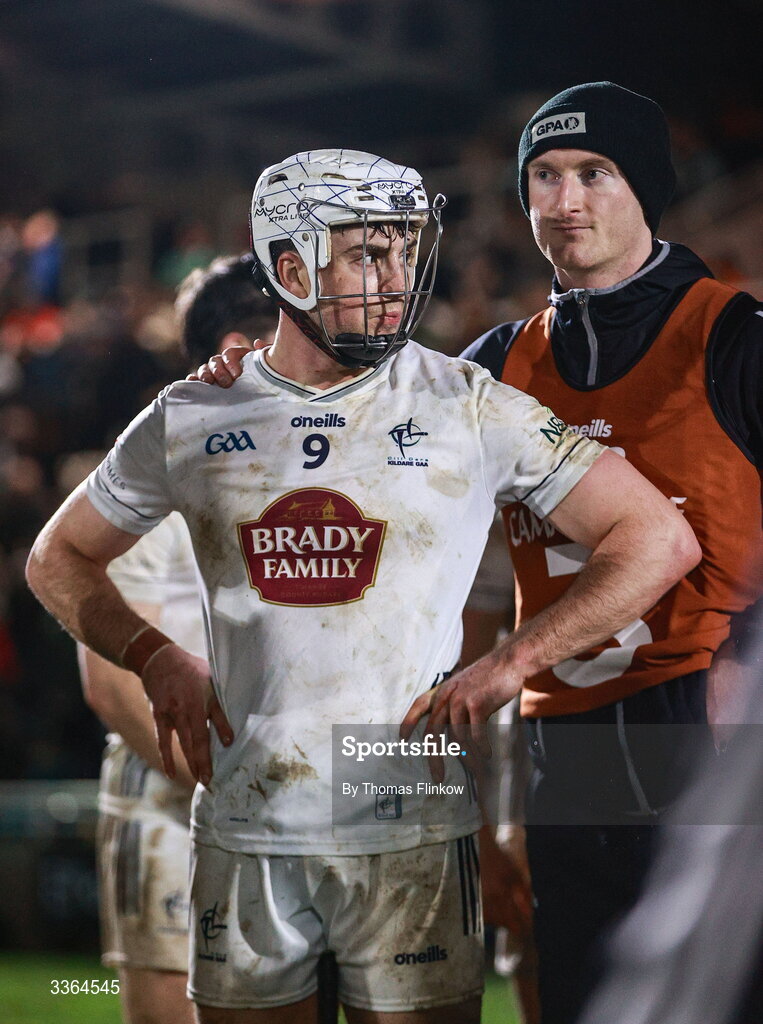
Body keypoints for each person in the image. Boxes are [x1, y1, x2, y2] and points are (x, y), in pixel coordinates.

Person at [26, 148, 699, 1024]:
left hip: (404, 799)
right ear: (290, 264)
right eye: (365, 254)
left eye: (404, 249)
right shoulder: (195, 412)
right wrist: (154, 657)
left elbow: (656, 537)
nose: (395, 277)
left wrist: (507, 668)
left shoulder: (466, 401)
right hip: (247, 808)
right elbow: (55, 558)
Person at [449, 82, 762, 1024]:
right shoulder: (495, 363)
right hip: (562, 728)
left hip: (707, 720)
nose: (564, 200)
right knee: (584, 997)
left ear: (645, 190)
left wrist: (745, 658)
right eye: (542, 177)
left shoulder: (736, 336)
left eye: (594, 173)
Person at [78, 254, 275, 1024]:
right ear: (231, 345)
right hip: (169, 795)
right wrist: (230, 790)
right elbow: (110, 680)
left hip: (289, 799)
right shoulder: (151, 473)